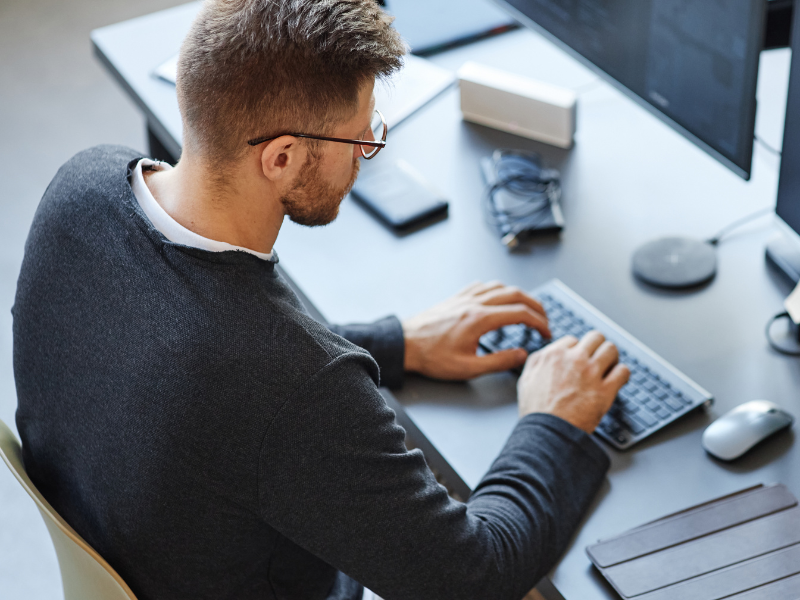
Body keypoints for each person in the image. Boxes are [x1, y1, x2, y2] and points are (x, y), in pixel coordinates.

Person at [11, 1, 628, 599]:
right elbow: (475, 577)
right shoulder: (296, 388)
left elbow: (195, 355)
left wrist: (397, 343)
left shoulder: (83, 187)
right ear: (281, 158)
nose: (367, 152)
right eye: (360, 139)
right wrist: (553, 421)